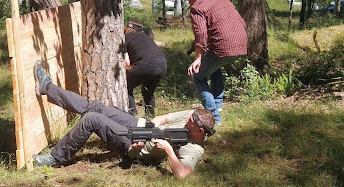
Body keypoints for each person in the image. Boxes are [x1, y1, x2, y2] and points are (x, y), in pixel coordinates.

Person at [32, 60, 215, 179]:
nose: (187, 121)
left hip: (134, 149)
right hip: (140, 127)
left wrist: (167, 150)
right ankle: (47, 87)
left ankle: (55, 158)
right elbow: (162, 118)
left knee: (92, 119)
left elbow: (183, 174)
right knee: (97, 107)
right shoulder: (191, 116)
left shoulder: (195, 149)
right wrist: (147, 130)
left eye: (190, 122)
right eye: (189, 118)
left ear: (199, 130)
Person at [186, 0, 247, 125]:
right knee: (214, 67)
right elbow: (242, 23)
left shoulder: (197, 7)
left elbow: (200, 34)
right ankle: (218, 105)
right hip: (241, 44)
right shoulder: (223, 0)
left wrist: (197, 58)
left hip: (223, 46)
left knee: (198, 76)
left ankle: (214, 117)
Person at [124, 20, 167, 116]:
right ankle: (150, 116)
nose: (123, 29)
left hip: (147, 64)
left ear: (129, 28)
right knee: (148, 91)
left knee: (125, 86)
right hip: (162, 63)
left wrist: (125, 69)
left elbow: (126, 62)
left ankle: (132, 115)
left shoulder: (126, 37)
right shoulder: (144, 38)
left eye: (125, 27)